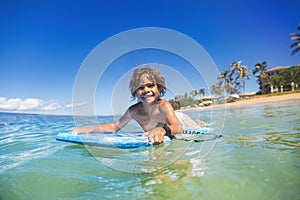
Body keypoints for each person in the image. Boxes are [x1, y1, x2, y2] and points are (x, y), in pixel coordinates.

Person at [73, 65, 183, 145]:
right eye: (140, 87)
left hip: (174, 126)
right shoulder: (134, 111)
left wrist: (163, 130)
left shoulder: (163, 106)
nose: (146, 90)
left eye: (150, 85)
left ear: (159, 87)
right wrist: (82, 130)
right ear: (135, 91)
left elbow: (178, 127)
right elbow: (114, 127)